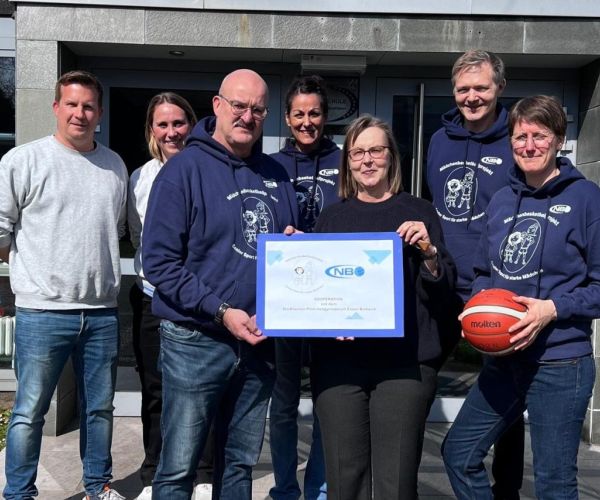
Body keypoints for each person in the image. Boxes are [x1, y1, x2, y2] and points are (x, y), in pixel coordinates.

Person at [142, 69, 298, 500]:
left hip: (259, 343)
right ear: (217, 106)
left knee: (239, 466)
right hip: (195, 340)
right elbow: (158, 263)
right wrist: (221, 310)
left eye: (258, 110)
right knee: (178, 466)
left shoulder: (276, 174)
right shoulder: (182, 171)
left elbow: (287, 252)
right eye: (239, 106)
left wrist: (297, 249)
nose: (247, 116)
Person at [442, 95, 599, 499]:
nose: (529, 146)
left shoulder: (586, 199)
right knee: (459, 454)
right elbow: (482, 273)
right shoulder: (501, 200)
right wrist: (477, 307)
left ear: (559, 139)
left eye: (539, 136)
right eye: (520, 136)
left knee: (553, 483)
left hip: (559, 362)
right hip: (504, 360)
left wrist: (552, 309)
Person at [311, 114, 456, 500]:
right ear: (348, 161)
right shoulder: (331, 218)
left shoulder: (420, 213)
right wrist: (293, 255)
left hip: (404, 365)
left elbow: (443, 294)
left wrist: (429, 253)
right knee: (345, 481)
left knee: (396, 484)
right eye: (358, 152)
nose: (367, 160)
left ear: (392, 156)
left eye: (376, 150)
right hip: (340, 365)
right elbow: (317, 293)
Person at [0, 70, 128, 500]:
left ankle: (97, 486)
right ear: (56, 107)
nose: (80, 113)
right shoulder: (23, 160)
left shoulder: (114, 166)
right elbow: (1, 231)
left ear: (100, 113)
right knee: (29, 411)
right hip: (42, 311)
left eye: (88, 106)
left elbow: (116, 230)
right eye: (71, 104)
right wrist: (34, 272)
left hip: (101, 312)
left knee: (100, 409)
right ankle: (19, 493)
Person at [426, 49, 524, 499]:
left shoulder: (515, 138)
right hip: (444, 283)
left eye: (481, 88)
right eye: (463, 89)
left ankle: (506, 490)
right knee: (418, 380)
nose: (472, 97)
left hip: (495, 290)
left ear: (499, 87)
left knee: (505, 402)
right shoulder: (438, 140)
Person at [128, 92, 214, 500]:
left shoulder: (208, 171)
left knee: (203, 389)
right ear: (152, 130)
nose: (171, 132)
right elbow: (138, 237)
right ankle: (153, 473)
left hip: (198, 300)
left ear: (192, 125)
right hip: (152, 299)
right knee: (156, 390)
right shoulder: (139, 178)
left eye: (178, 123)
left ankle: (204, 474)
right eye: (162, 124)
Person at [269, 75, 341, 500]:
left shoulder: (344, 161)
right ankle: (284, 489)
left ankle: (318, 489)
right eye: (299, 114)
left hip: (331, 300)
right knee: (283, 404)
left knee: (327, 404)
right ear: (287, 118)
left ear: (325, 117)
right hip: (288, 299)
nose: (306, 122)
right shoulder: (271, 166)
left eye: (314, 113)